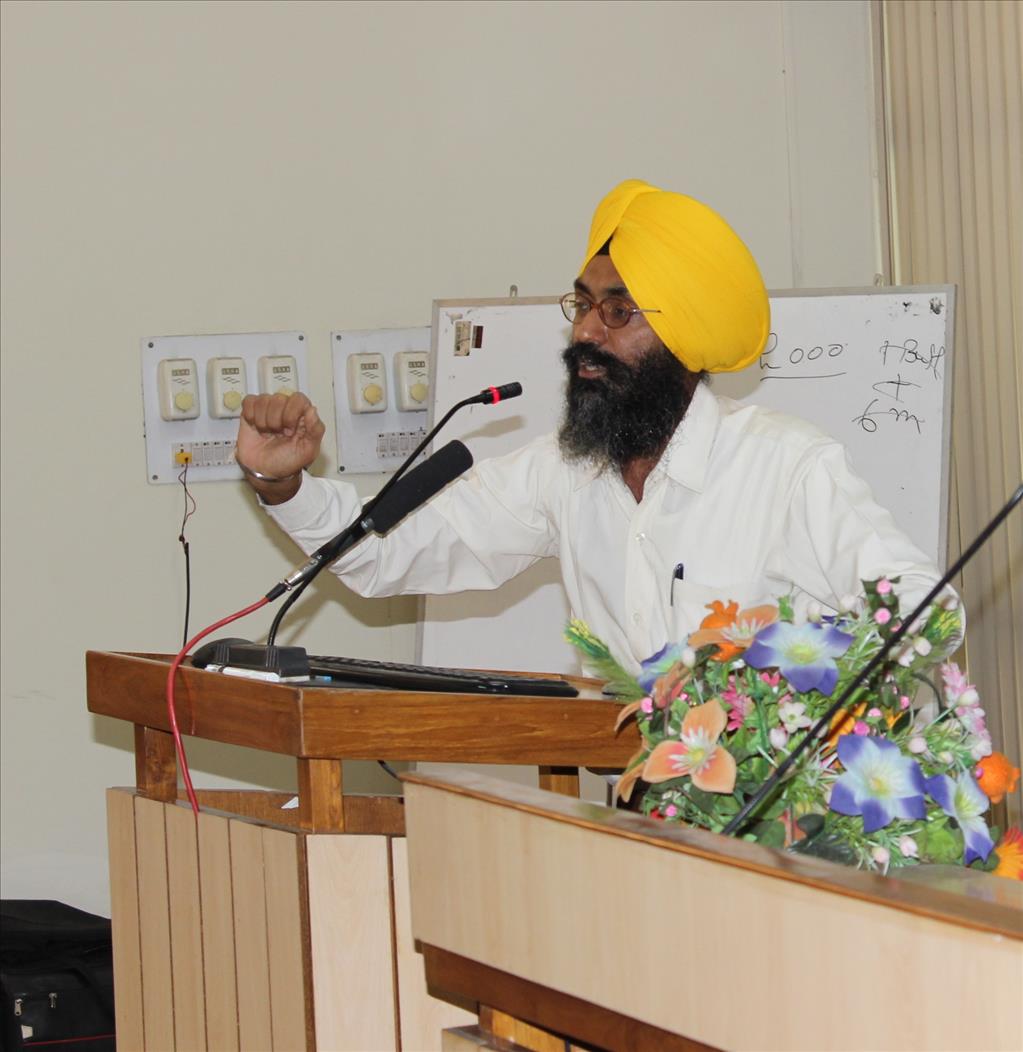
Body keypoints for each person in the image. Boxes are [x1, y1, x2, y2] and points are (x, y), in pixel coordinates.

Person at [236, 179, 944, 672]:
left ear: (684, 335)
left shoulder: (784, 467)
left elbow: (925, 611)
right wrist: (283, 484)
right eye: (581, 305)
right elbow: (392, 552)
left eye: (617, 311)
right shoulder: (565, 470)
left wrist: (782, 696)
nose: (585, 333)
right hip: (630, 814)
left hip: (774, 819)